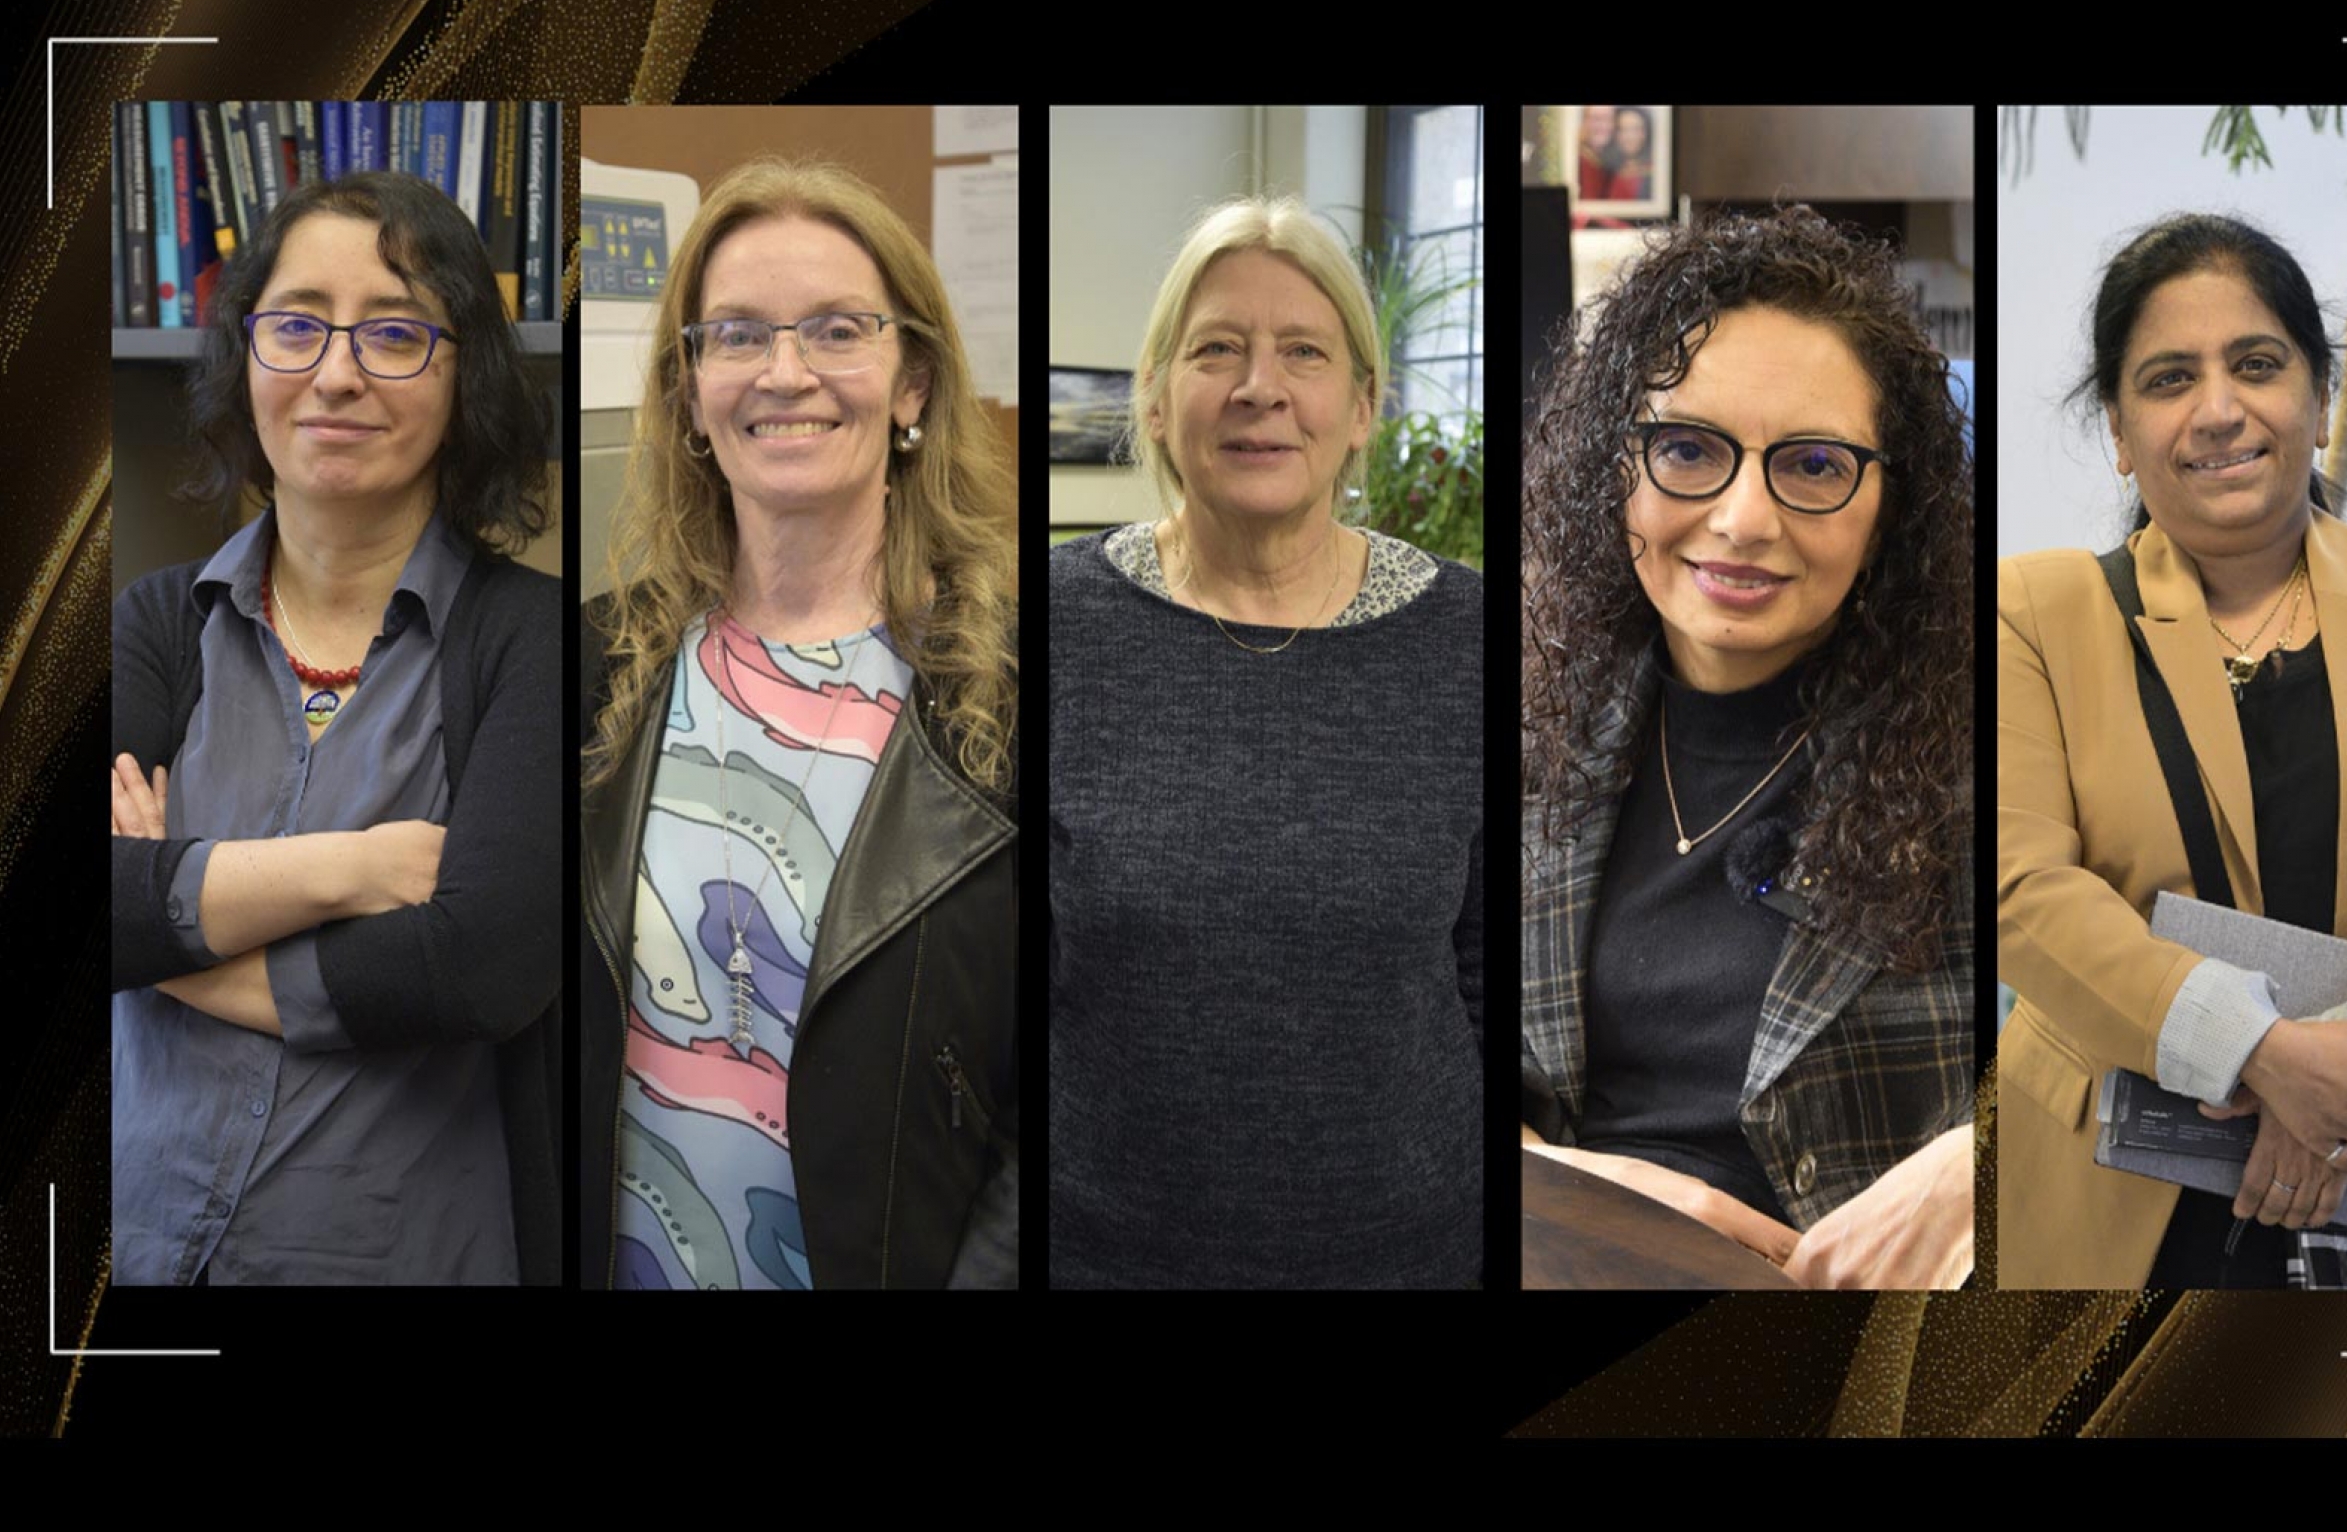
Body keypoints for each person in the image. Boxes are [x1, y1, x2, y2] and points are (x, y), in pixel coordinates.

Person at [109, 168, 561, 1286]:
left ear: (467, 376)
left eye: (396, 333)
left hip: (402, 1255)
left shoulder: (533, 636)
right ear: (247, 354)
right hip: (138, 1251)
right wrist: (359, 869)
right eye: (297, 326)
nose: (337, 375)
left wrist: (164, 937)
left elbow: (481, 966)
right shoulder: (156, 622)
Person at [580, 157, 1017, 1290]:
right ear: (688, 390)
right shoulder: (590, 665)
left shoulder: (1015, 682)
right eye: (735, 335)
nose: (785, 372)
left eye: (836, 329)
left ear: (912, 381)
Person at [1521, 204, 1976, 1289]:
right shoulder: (1534, 736)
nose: (1741, 518)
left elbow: (2156, 1048)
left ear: (1888, 507)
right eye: (1686, 448)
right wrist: (1603, 1192)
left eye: (1812, 465)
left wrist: (1982, 1166)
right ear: (1610, 466)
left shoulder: (1991, 738)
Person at [1997, 213, 2347, 1290]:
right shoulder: (2033, 611)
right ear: (2116, 428)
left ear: (2321, 396)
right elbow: (2017, 889)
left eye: (2255, 364)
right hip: (2104, 1189)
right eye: (2166, 379)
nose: (2217, 410)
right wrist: (2257, 1052)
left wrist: (2341, 1077)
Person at [1049, 195, 1484, 1288]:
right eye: (1216, 350)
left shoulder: (1473, 637)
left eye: (1303, 351)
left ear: (1362, 407)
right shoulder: (1050, 624)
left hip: (1411, 1257)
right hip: (1106, 1256)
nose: (1260, 388)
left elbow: (1487, 978)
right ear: (1152, 400)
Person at [1602, 107, 1654, 204]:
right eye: (1622, 129)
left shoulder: (1653, 173)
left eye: (1636, 129)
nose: (1629, 136)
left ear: (1646, 133)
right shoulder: (1609, 170)